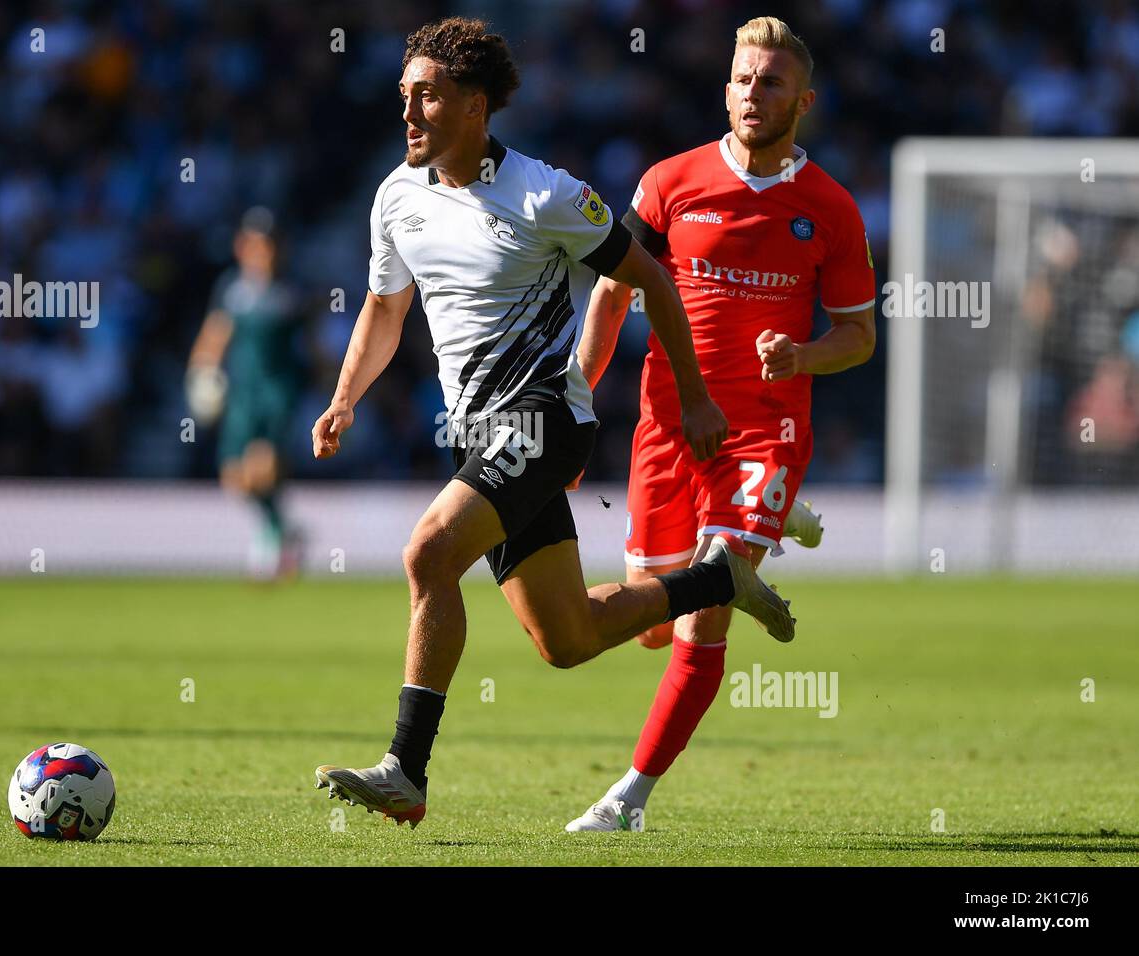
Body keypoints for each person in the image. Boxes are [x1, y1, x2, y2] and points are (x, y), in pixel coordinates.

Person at [310, 16, 794, 829]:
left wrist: (697, 396)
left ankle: (406, 769)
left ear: (473, 104)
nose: (408, 112)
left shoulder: (546, 193)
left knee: (428, 552)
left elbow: (653, 281)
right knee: (569, 639)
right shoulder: (398, 195)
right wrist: (345, 395)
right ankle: (717, 578)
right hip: (478, 433)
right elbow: (386, 308)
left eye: (425, 96)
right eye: (404, 96)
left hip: (543, 419)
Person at [566, 16, 876, 832]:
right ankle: (769, 538)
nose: (751, 92)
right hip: (668, 431)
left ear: (802, 100)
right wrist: (577, 398)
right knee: (646, 624)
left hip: (764, 432)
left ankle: (627, 799)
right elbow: (612, 293)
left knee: (702, 613)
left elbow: (859, 334)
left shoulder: (831, 209)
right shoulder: (669, 182)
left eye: (770, 82)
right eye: (742, 78)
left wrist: (804, 358)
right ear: (724, 87)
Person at [187, 207, 304, 578]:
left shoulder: (290, 293)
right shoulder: (231, 289)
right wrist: (201, 373)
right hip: (242, 392)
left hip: (277, 391)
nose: (262, 251)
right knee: (234, 476)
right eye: (255, 243)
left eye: (268, 243)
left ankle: (270, 540)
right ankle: (283, 528)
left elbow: (312, 347)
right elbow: (214, 335)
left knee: (262, 467)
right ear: (242, 246)